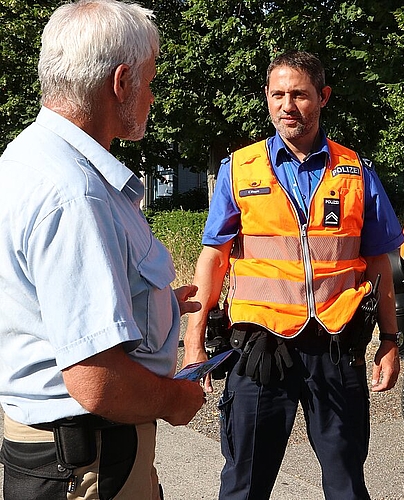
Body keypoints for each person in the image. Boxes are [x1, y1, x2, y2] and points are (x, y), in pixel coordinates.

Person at [0, 1, 206, 498]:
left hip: (64, 456)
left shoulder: (29, 155)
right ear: (121, 83)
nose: (152, 97)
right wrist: (174, 400)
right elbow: (97, 380)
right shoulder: (75, 193)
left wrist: (150, 306)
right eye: (150, 82)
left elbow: (44, 304)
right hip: (89, 464)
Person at [183, 50, 404, 500]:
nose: (288, 105)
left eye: (300, 94)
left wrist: (390, 339)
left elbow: (381, 262)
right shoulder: (239, 169)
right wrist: (194, 339)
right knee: (244, 483)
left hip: (336, 343)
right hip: (261, 346)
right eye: (277, 94)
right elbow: (214, 257)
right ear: (266, 98)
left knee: (345, 480)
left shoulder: (355, 171)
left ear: (322, 98)